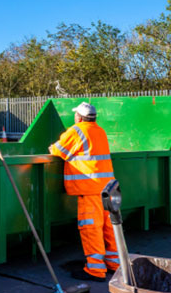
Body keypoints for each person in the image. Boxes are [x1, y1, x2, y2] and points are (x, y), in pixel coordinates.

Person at [49, 101, 119, 282]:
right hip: (108, 188)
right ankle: (114, 264)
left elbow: (57, 150)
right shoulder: (100, 131)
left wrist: (53, 149)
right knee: (109, 226)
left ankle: (95, 270)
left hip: (90, 189)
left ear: (79, 117)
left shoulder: (76, 130)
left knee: (91, 227)